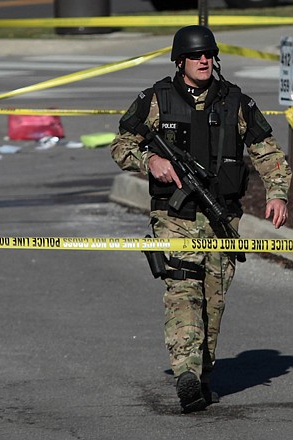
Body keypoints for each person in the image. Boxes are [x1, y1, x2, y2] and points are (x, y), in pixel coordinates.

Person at [110, 25, 291, 413]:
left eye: (209, 54)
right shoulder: (156, 99)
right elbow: (122, 144)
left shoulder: (235, 102)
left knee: (214, 299)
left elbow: (267, 151)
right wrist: (150, 160)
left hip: (222, 216)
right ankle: (186, 373)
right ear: (180, 61)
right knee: (182, 289)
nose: (204, 60)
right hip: (175, 215)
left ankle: (202, 376)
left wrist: (277, 193)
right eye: (196, 56)